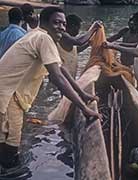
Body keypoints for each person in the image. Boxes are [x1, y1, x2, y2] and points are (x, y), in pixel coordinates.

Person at [0, 7, 101, 171]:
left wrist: (83, 94)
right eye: (56, 22)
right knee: (10, 150)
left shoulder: (39, 36)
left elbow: (62, 70)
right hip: (8, 97)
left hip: (9, 95)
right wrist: (83, 108)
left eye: (63, 23)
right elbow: (57, 77)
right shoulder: (43, 38)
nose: (61, 27)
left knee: (5, 145)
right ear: (45, 22)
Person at [103, 10, 138, 110]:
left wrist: (113, 46)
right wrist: (115, 45)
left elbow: (137, 52)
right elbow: (135, 45)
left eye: (137, 25)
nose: (135, 28)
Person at [57, 14, 99, 78]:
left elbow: (77, 49)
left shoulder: (70, 42)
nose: (78, 32)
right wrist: (93, 29)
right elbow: (79, 42)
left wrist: (89, 43)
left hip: (69, 80)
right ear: (72, 26)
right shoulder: (62, 36)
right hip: (59, 82)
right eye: (78, 29)